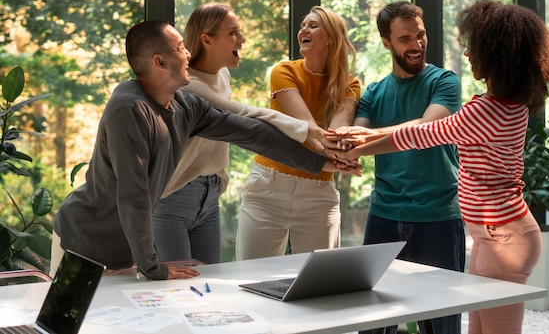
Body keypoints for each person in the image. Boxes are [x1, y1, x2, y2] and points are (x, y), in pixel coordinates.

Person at [51, 19, 360, 280]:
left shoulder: (185, 104)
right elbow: (133, 194)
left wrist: (320, 163)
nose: (188, 55)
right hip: (84, 243)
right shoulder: (128, 109)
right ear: (159, 62)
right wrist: (153, 267)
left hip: (126, 251)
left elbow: (252, 133)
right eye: (180, 49)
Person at [329, 0, 549, 334]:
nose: (467, 55)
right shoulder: (509, 105)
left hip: (504, 237)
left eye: (475, 48)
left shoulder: (485, 111)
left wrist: (367, 135)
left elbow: (422, 134)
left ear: (496, 56)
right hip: (491, 237)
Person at [153, 3, 329, 264]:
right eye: (233, 33)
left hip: (209, 195)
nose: (242, 39)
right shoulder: (190, 87)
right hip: (173, 198)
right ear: (207, 40)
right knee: (177, 289)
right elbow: (244, 117)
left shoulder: (222, 74)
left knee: (207, 287)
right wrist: (308, 130)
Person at [327, 0, 465, 334]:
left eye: (420, 35)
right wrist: (349, 142)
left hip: (438, 218)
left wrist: (367, 136)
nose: (416, 45)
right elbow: (356, 144)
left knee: (441, 322)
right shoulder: (374, 93)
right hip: (384, 217)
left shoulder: (445, 82)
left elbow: (426, 132)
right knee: (373, 322)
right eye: (405, 39)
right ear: (387, 42)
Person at [235, 5, 361, 260]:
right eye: (303, 25)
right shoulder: (284, 71)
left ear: (331, 40)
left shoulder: (350, 84)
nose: (303, 29)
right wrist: (336, 159)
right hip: (268, 187)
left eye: (313, 25)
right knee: (251, 277)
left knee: (321, 282)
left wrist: (335, 156)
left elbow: (336, 133)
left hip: (318, 192)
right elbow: (305, 128)